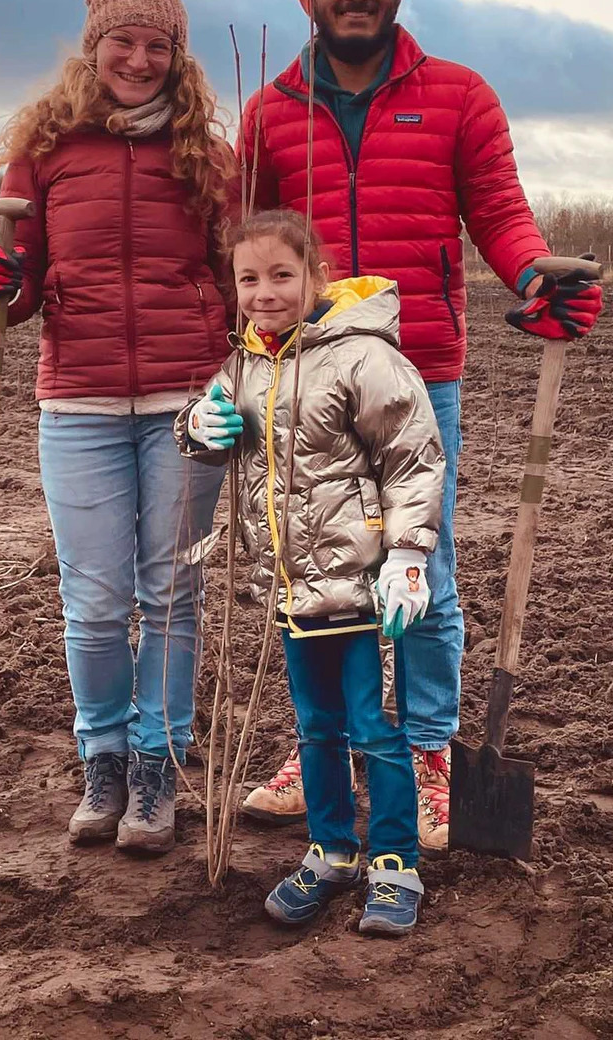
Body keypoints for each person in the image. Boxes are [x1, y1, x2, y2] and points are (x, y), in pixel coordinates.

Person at [238, 0, 605, 851]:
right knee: (318, 565)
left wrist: (535, 276)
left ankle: (431, 749)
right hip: (304, 380)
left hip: (419, 373)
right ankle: (326, 748)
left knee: (421, 571)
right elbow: (236, 247)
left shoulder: (459, 96)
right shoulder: (272, 112)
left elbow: (498, 211)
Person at [0, 0, 235, 854]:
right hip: (76, 401)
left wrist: (230, 371)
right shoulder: (44, 152)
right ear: (95, 47)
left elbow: (237, 278)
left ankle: (158, 771)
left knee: (170, 593)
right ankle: (105, 761)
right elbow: (24, 288)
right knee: (92, 598)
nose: (141, 58)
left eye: (159, 44)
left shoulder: (207, 157)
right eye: (125, 40)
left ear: (178, 55)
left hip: (184, 405)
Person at [177, 208, 444, 935]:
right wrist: (198, 426)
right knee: (316, 727)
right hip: (291, 589)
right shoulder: (246, 362)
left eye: (282, 275)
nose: (265, 291)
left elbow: (413, 459)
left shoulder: (363, 357)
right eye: (249, 278)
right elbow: (211, 428)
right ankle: (331, 850)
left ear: (316, 276)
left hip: (363, 586)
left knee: (375, 729)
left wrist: (411, 560)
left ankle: (396, 862)